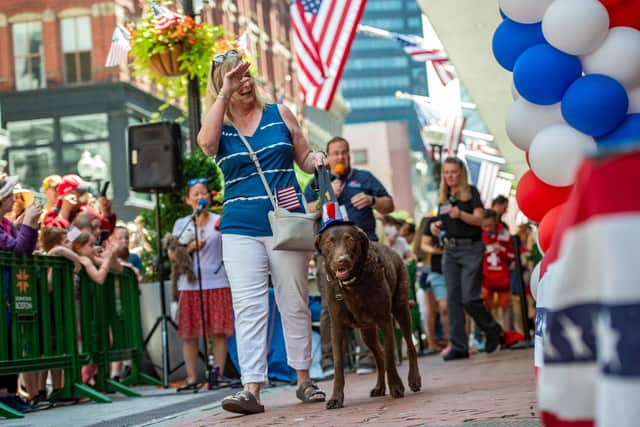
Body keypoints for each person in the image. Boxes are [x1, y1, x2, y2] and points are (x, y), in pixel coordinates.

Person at [197, 49, 327, 414]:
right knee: (249, 307)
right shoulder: (218, 126)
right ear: (223, 84)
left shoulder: (279, 114)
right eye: (236, 78)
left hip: (287, 220)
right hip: (240, 227)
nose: (246, 83)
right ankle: (251, 389)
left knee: (294, 300)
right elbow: (205, 146)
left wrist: (314, 160)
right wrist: (223, 94)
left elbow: (302, 156)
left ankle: (304, 379)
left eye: (247, 76)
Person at [303, 136, 394, 378]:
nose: (340, 157)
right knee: (329, 306)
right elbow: (305, 210)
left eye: (344, 153)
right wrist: (326, 195)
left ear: (349, 155)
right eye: (335, 153)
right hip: (331, 256)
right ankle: (330, 362)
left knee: (367, 303)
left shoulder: (364, 179)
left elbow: (389, 205)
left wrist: (372, 200)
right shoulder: (318, 182)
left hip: (364, 254)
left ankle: (368, 358)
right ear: (328, 157)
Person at [430, 157, 504, 361]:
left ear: (461, 173)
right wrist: (435, 226)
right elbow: (444, 222)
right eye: (446, 172)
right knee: (452, 299)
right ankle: (459, 346)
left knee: (470, 298)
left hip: (471, 248)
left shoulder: (470, 192)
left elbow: (481, 220)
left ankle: (493, 330)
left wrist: (460, 213)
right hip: (450, 251)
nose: (450, 176)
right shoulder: (443, 197)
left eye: (454, 172)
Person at [168, 179, 234, 391]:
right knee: (189, 333)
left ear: (209, 197)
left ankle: (219, 374)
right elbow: (171, 254)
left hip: (217, 281)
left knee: (218, 331)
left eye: (203, 193)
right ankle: (191, 378)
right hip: (190, 284)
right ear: (188, 200)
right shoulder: (182, 224)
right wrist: (190, 248)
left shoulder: (219, 220)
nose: (200, 197)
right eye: (195, 194)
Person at [0, 176, 41, 413]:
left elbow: (26, 246)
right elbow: (18, 248)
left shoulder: (6, 224)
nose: (13, 199)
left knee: (10, 342)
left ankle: (12, 392)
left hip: (10, 293)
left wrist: (30, 225)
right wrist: (28, 223)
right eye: (9, 195)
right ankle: (3, 394)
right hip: (3, 292)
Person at [480, 209, 514, 329]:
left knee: (506, 306)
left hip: (502, 277)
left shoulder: (504, 234)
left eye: (490, 225)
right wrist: (489, 247)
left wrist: (502, 250)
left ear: (495, 222)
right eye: (485, 226)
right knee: (484, 307)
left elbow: (512, 253)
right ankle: (489, 334)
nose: (488, 229)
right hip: (486, 278)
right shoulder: (479, 235)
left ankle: (507, 333)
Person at [420, 216, 449, 354]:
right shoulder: (431, 223)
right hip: (433, 271)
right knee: (436, 309)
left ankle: (436, 341)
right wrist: (436, 250)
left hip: (437, 270)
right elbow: (421, 248)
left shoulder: (447, 221)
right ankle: (436, 342)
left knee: (434, 310)